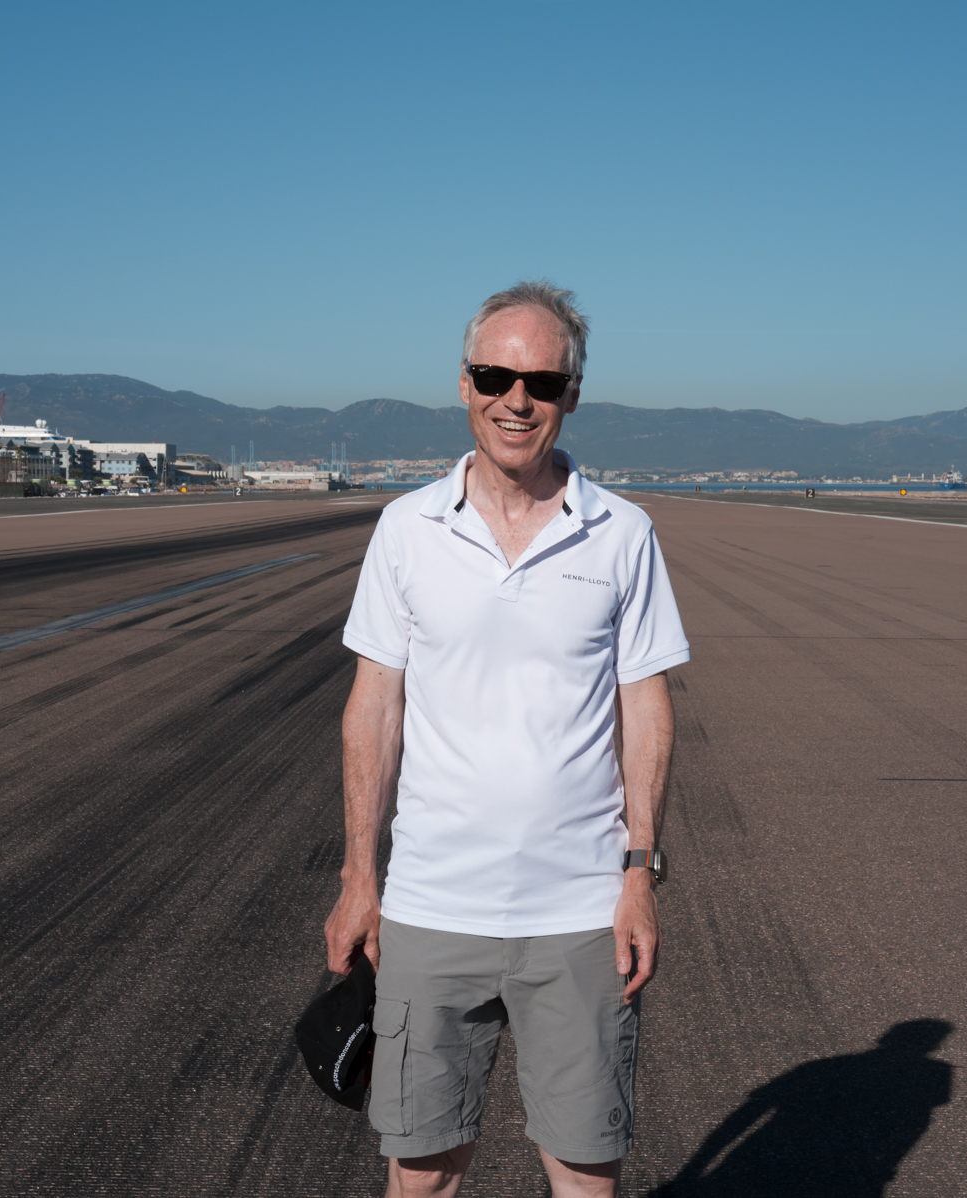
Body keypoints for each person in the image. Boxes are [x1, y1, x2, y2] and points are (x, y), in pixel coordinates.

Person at [326, 281, 690, 1198]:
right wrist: (359, 878)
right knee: (424, 1173)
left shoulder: (622, 534)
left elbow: (645, 706)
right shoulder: (407, 530)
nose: (516, 399)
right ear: (464, 384)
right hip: (430, 907)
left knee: (584, 1173)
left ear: (572, 394)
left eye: (541, 381)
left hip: (578, 912)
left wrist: (638, 875)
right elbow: (374, 706)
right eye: (495, 374)